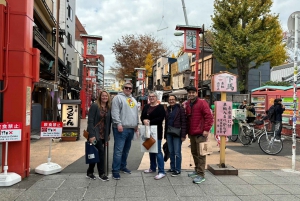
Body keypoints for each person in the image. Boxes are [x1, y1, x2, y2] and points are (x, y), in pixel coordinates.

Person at [185, 86, 213, 184]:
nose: (191, 94)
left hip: (201, 133)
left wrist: (206, 130)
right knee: (194, 152)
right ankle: (197, 170)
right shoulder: (188, 104)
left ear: (196, 93)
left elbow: (209, 117)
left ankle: (201, 174)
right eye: (190, 92)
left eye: (193, 92)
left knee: (201, 154)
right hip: (192, 133)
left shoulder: (202, 103)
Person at [111, 82, 139, 180]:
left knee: (126, 150)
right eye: (126, 87)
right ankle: (115, 170)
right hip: (121, 128)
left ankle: (123, 166)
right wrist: (118, 123)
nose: (128, 89)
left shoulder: (133, 99)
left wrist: (136, 124)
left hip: (131, 128)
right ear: (123, 88)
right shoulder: (117, 98)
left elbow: (136, 113)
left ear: (132, 90)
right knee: (118, 150)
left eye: (130, 88)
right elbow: (115, 112)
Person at [86, 90, 112, 181]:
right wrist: (91, 135)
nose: (104, 97)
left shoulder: (108, 107)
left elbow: (108, 122)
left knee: (95, 153)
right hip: (95, 133)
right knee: (101, 152)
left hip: (103, 133)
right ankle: (101, 174)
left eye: (106, 96)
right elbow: (90, 121)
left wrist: (107, 134)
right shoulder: (95, 106)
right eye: (103, 96)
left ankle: (90, 172)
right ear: (100, 97)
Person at [141, 91, 166, 180]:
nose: (151, 98)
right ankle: (152, 167)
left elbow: (160, 119)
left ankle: (161, 171)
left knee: (158, 151)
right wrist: (143, 120)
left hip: (157, 132)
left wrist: (150, 121)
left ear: (156, 98)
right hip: (147, 131)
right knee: (151, 149)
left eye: (153, 96)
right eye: (150, 96)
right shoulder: (146, 106)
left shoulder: (160, 108)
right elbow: (142, 116)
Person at [164, 95, 186, 176]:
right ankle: (172, 167)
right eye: (170, 99)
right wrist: (165, 135)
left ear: (176, 100)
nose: (171, 101)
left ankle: (178, 169)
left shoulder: (180, 109)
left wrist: (183, 135)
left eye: (173, 99)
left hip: (177, 133)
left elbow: (184, 122)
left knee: (177, 152)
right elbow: (166, 123)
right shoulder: (168, 109)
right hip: (169, 133)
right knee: (171, 151)